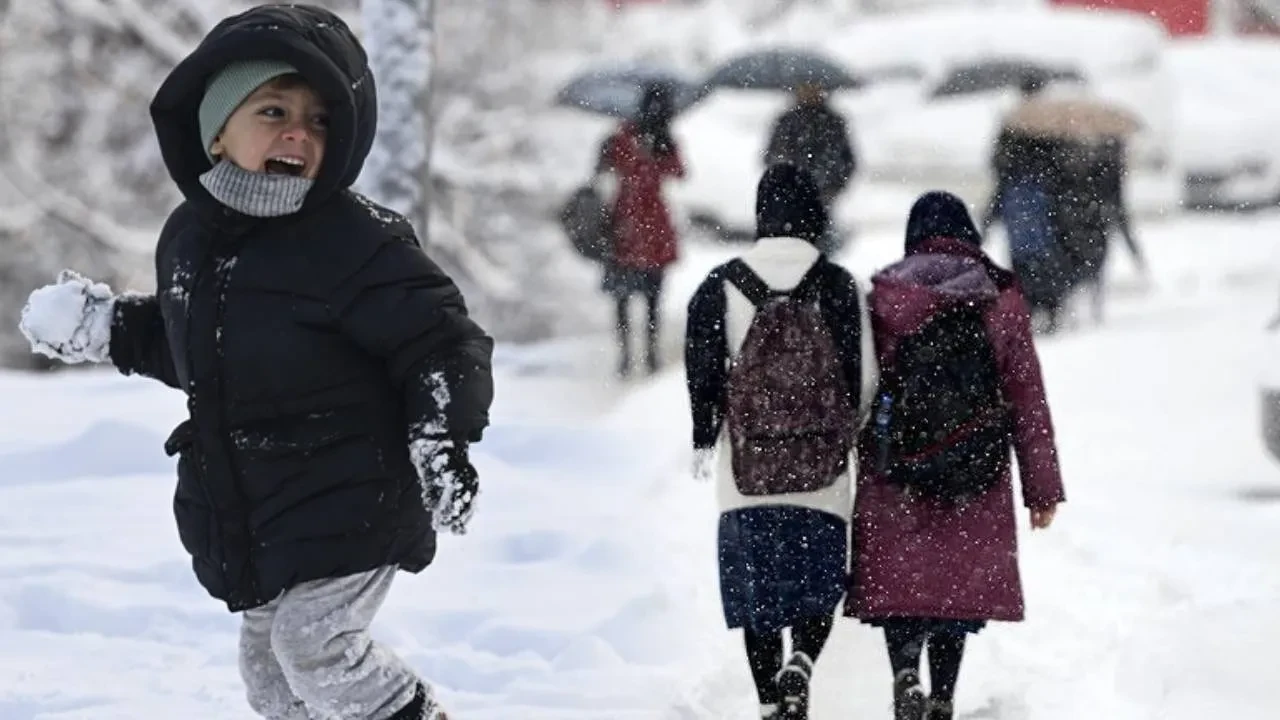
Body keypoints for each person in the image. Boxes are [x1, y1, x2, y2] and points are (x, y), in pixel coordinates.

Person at [16, 5, 493, 719]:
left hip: (355, 494)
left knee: (316, 647)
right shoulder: (191, 239)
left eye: (319, 120)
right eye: (273, 110)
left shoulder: (355, 244)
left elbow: (440, 340)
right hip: (268, 505)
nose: (299, 132)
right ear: (216, 131)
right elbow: (201, 349)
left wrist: (438, 434)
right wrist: (109, 326)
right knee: (268, 674)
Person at [850, 192, 1065, 720]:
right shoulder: (998, 298)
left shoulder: (886, 296)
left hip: (896, 467)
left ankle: (905, 673)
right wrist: (1042, 488)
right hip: (976, 467)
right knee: (954, 590)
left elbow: (862, 387)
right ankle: (943, 695)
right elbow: (1026, 399)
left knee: (901, 586)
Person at [684, 163, 877, 720]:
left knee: (759, 599)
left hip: (747, 472)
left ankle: (772, 704)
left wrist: (705, 435)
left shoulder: (720, 285)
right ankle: (804, 665)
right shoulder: (837, 283)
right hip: (821, 473)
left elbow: (702, 374)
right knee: (818, 586)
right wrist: (845, 434)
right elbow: (861, 378)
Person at [596, 81, 686, 378]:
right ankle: (648, 354)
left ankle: (628, 355)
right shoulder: (658, 139)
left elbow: (605, 169)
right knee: (651, 296)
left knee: (625, 296)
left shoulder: (625, 136)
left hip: (626, 222)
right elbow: (679, 172)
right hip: (650, 223)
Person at [981, 76, 1070, 334]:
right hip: (1038, 200)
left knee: (1022, 256)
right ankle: (1046, 305)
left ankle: (1030, 305)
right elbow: (1060, 166)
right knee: (1043, 253)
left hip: (1019, 200)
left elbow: (998, 163)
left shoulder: (1014, 123)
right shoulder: (1051, 123)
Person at [764, 82, 857, 254]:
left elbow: (848, 160)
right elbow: (771, 156)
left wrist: (834, 186)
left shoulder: (833, 122)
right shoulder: (787, 121)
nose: (810, 92)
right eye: (804, 87)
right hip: (791, 197)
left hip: (824, 194)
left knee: (823, 243)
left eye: (815, 87)